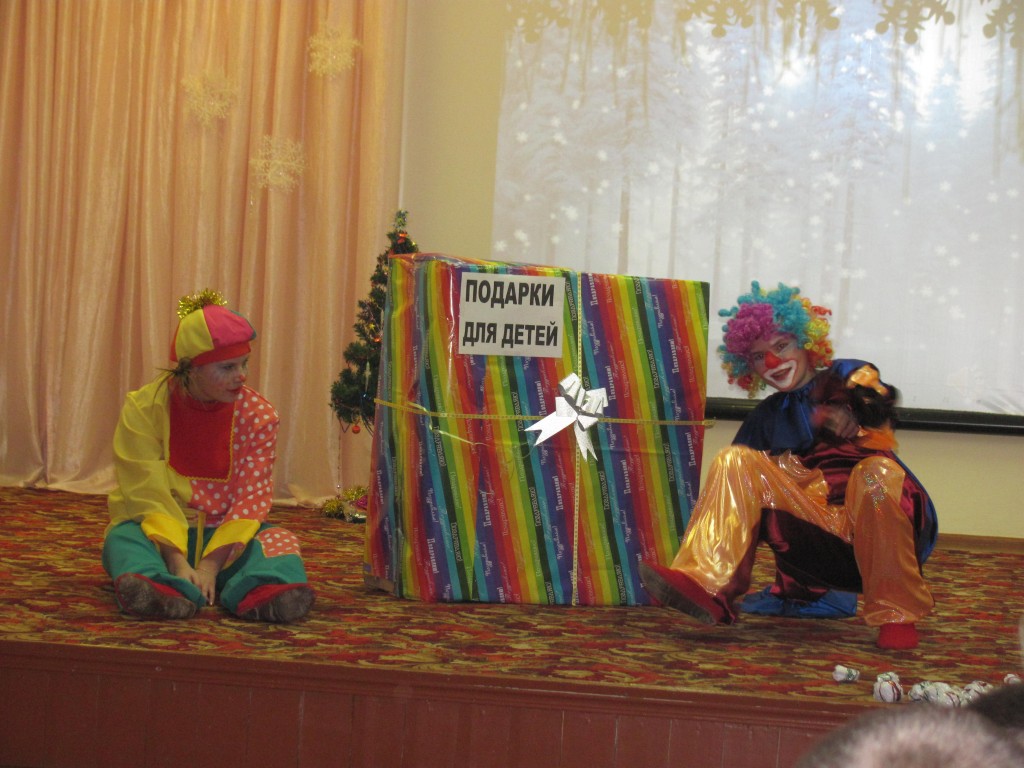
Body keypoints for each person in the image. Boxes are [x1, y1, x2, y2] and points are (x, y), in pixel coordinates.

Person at [639, 282, 937, 649]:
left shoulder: (843, 375)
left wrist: (853, 409)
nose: (773, 362)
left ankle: (897, 616)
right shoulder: (763, 419)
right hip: (818, 542)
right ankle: (707, 584)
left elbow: (879, 398)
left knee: (877, 473)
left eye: (781, 346)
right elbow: (740, 505)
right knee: (734, 459)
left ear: (806, 343)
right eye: (759, 356)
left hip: (882, 521)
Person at [103, 291, 315, 623]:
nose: (241, 375)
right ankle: (162, 587)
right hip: (159, 537)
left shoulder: (259, 416)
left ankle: (263, 592)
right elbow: (145, 492)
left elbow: (251, 499)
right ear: (191, 369)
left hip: (226, 542)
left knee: (279, 540)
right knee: (122, 539)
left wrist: (210, 565)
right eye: (228, 367)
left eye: (244, 364)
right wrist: (177, 560)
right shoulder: (144, 408)